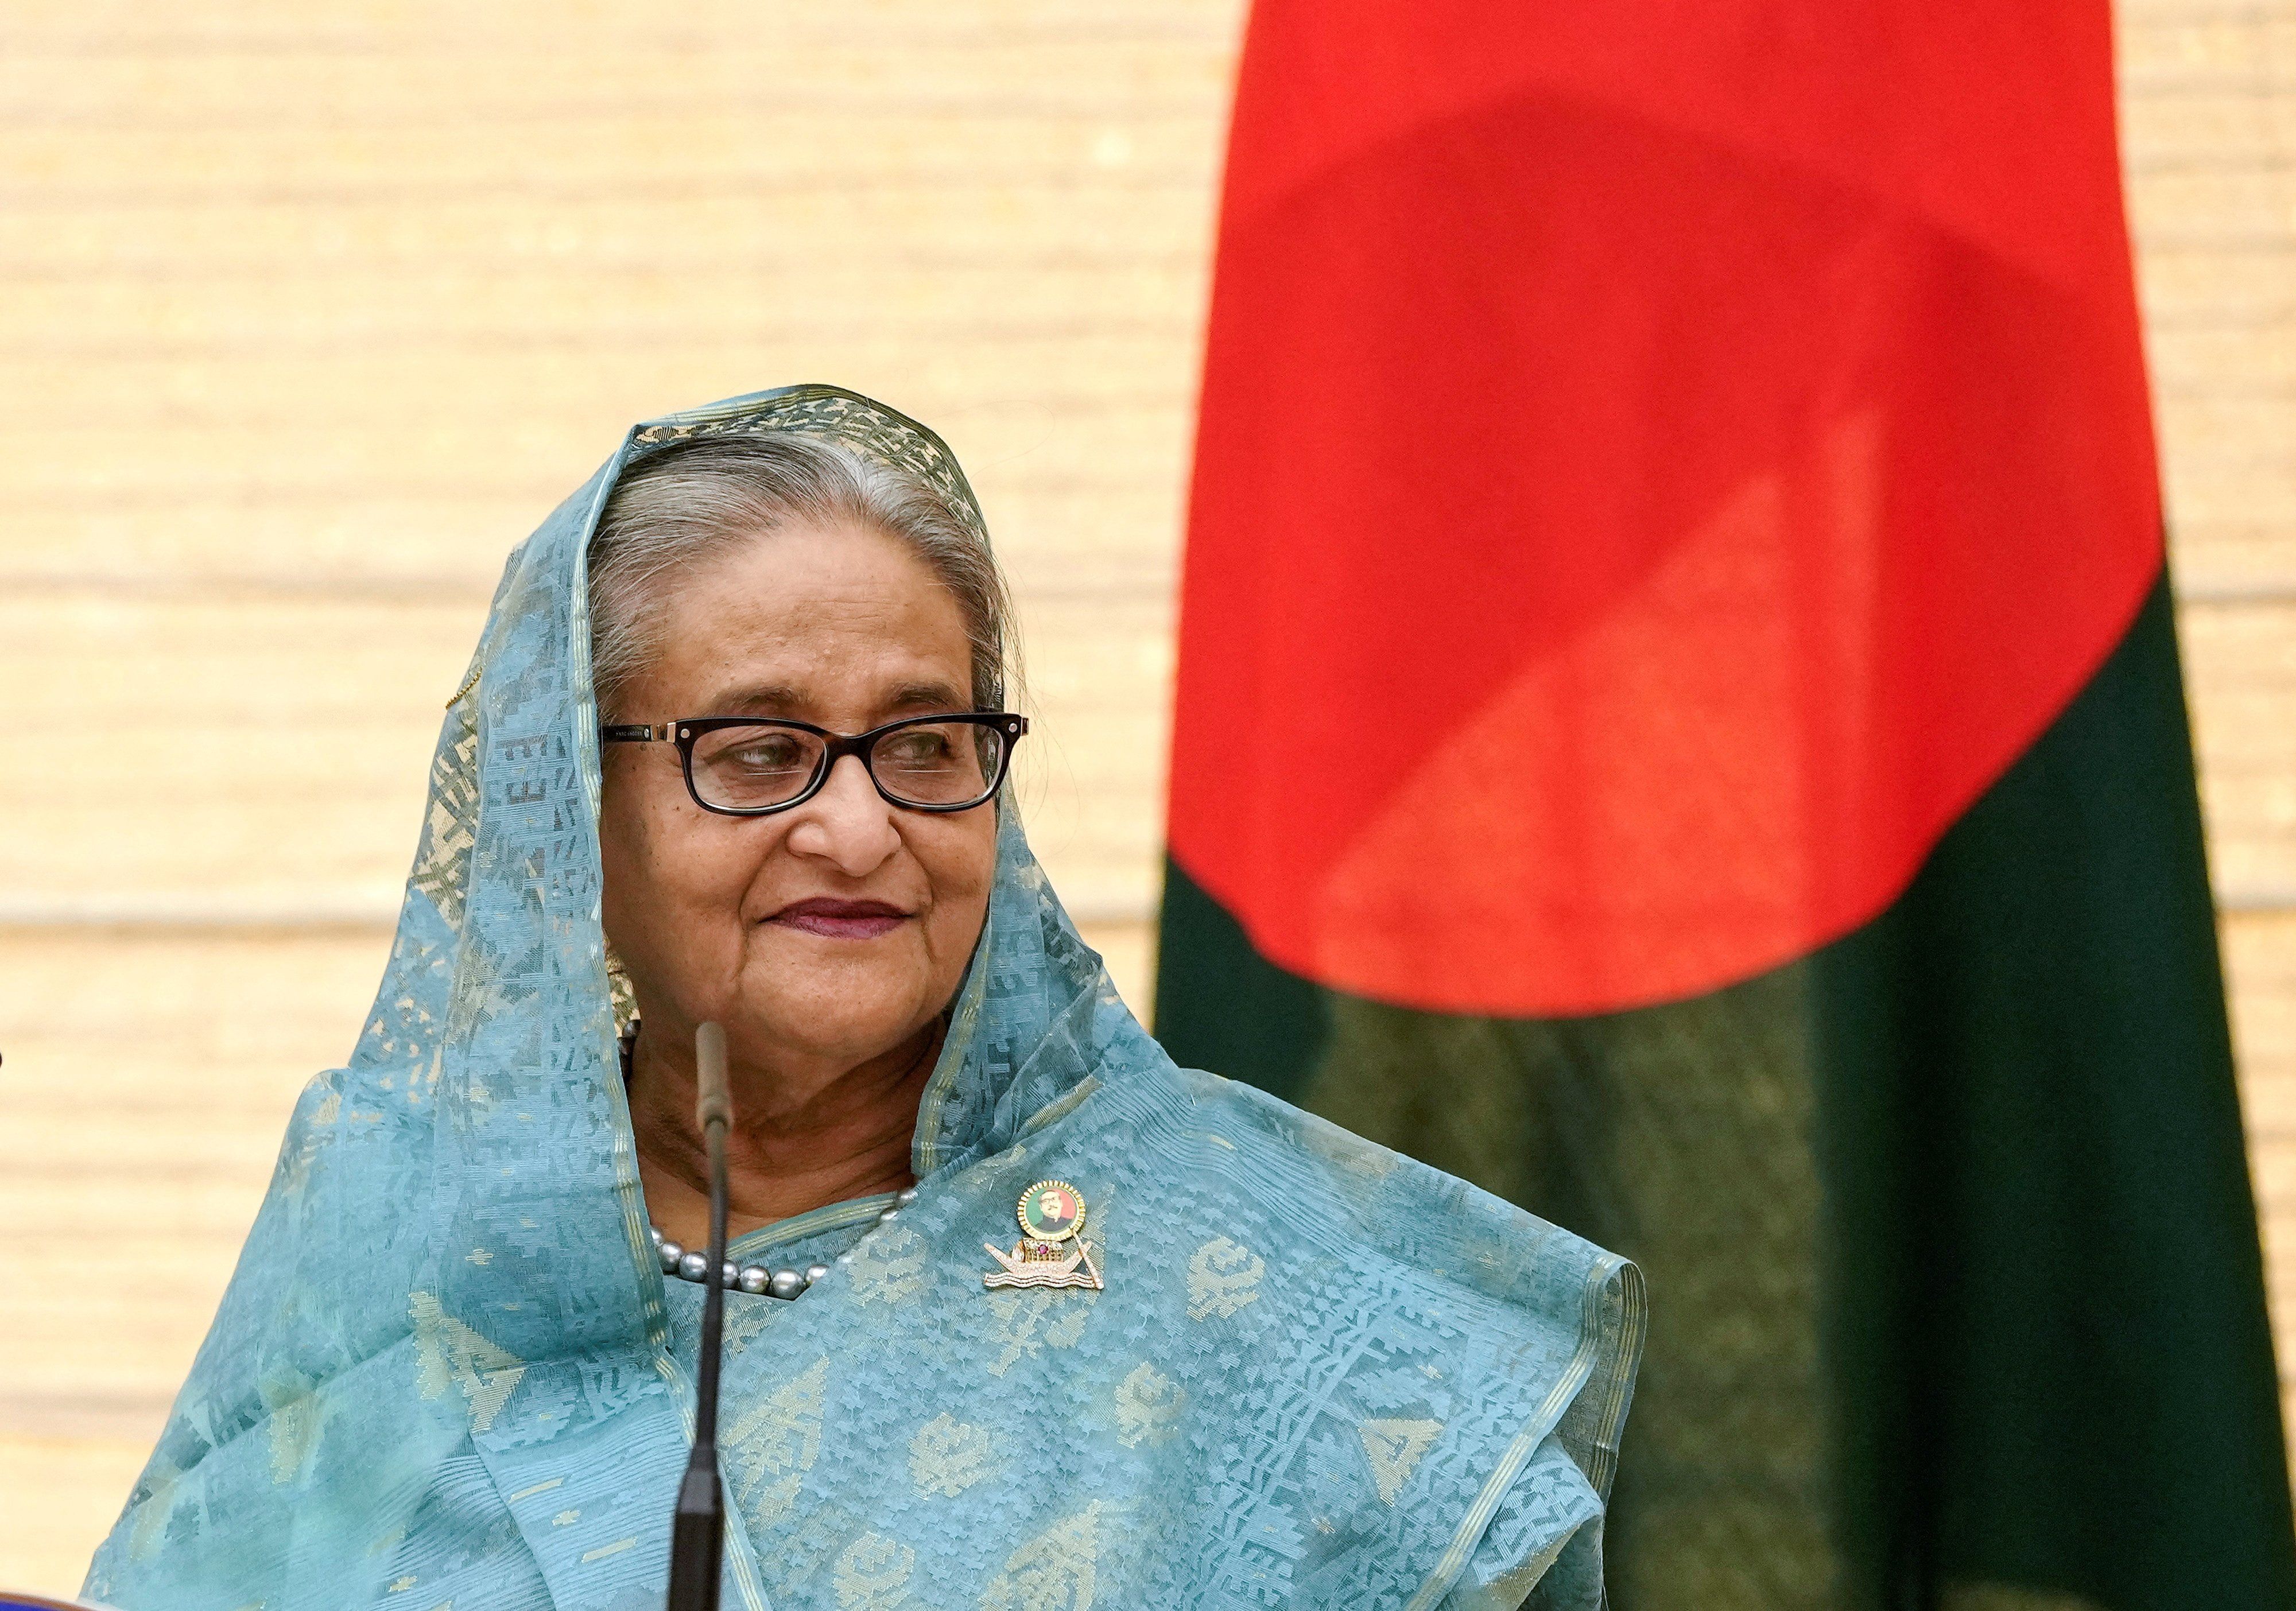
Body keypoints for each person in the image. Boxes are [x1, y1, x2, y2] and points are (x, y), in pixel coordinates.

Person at [85, 385, 1644, 1611]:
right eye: (757, 752)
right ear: (574, 814)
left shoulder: (1257, 1277)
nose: (858, 826)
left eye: (925, 744)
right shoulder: (401, 1245)